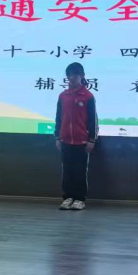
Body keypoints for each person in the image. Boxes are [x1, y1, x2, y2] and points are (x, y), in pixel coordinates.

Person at [54, 62, 97, 212]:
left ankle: (79, 199)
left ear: (82, 76)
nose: (72, 77)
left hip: (82, 141)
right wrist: (57, 137)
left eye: (75, 74)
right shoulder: (63, 96)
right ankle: (68, 198)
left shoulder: (88, 96)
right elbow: (58, 118)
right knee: (67, 170)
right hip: (65, 140)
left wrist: (91, 139)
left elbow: (93, 120)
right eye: (69, 75)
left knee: (80, 171)